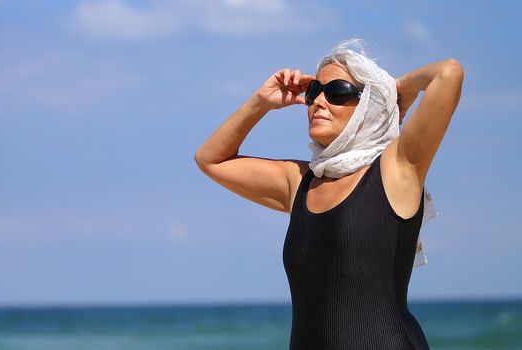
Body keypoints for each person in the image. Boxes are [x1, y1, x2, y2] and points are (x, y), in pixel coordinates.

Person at [194, 39, 463, 349]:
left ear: (369, 105)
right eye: (313, 93)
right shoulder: (300, 182)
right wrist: (261, 102)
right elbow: (211, 159)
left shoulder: (396, 170)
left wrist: (396, 89)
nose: (318, 102)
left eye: (338, 92)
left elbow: (449, 73)